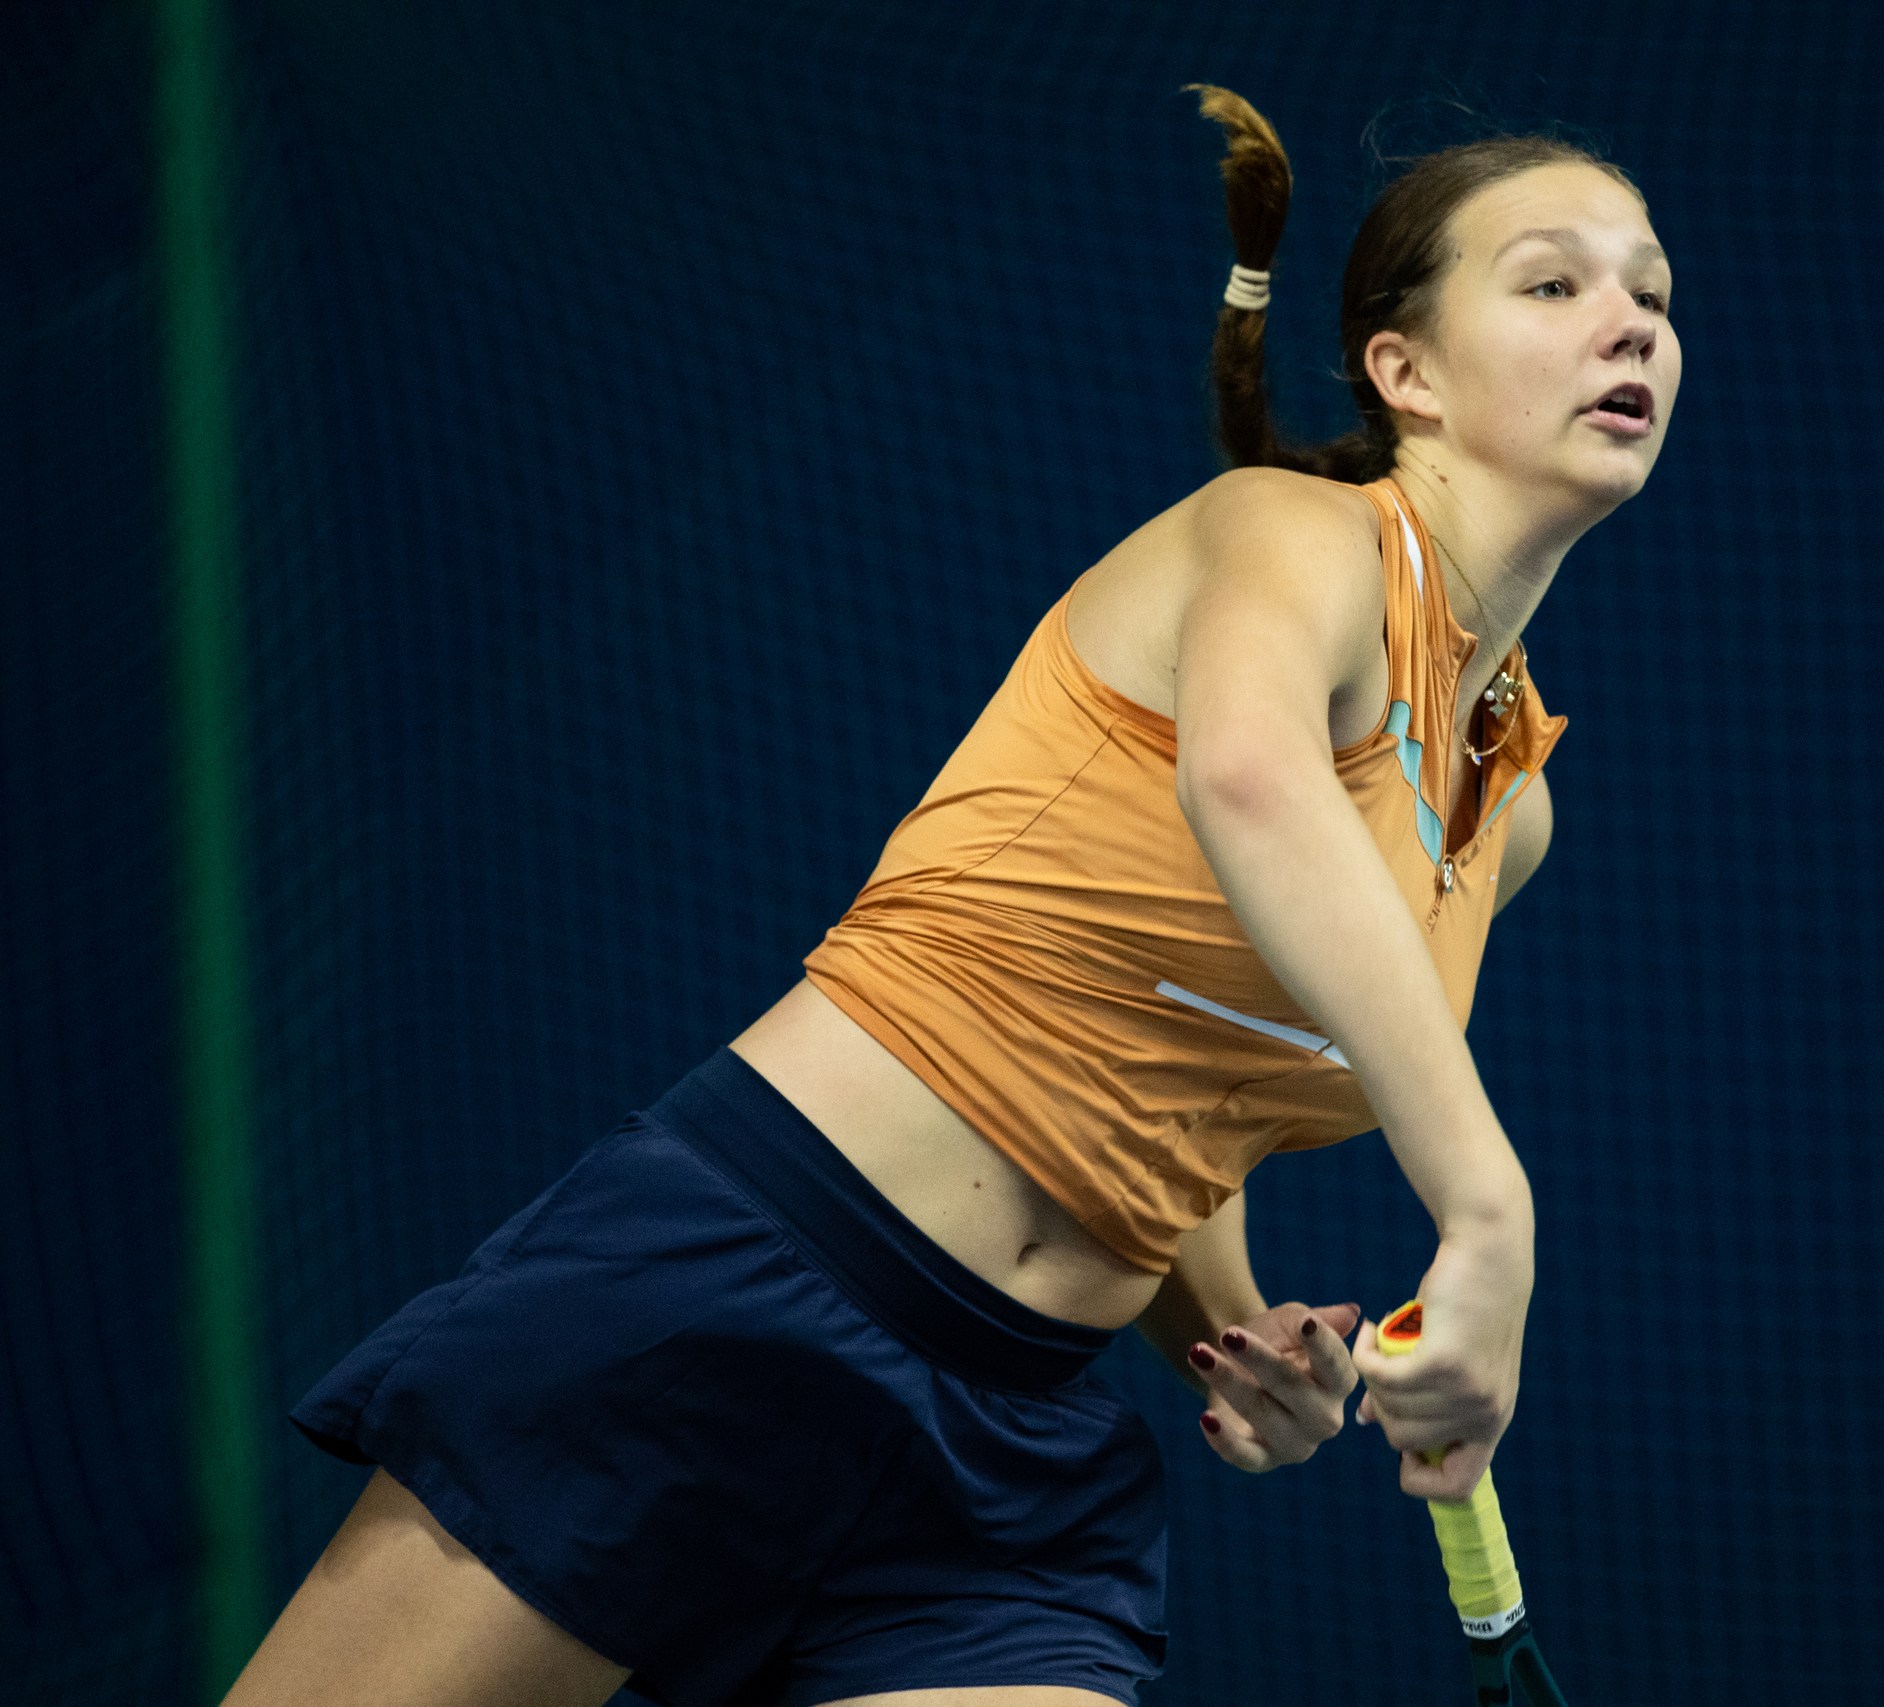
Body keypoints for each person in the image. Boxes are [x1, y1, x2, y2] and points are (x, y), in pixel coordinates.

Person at [223, 84, 1678, 1707]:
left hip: (1007, 1453)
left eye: (1652, 293)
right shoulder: (1289, 534)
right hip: (734, 1290)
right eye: (1555, 283)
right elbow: (1253, 784)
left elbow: (1177, 1065)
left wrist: (1237, 1330)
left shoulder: (1508, 808)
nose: (1628, 322)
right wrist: (1489, 1210)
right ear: (1405, 373)